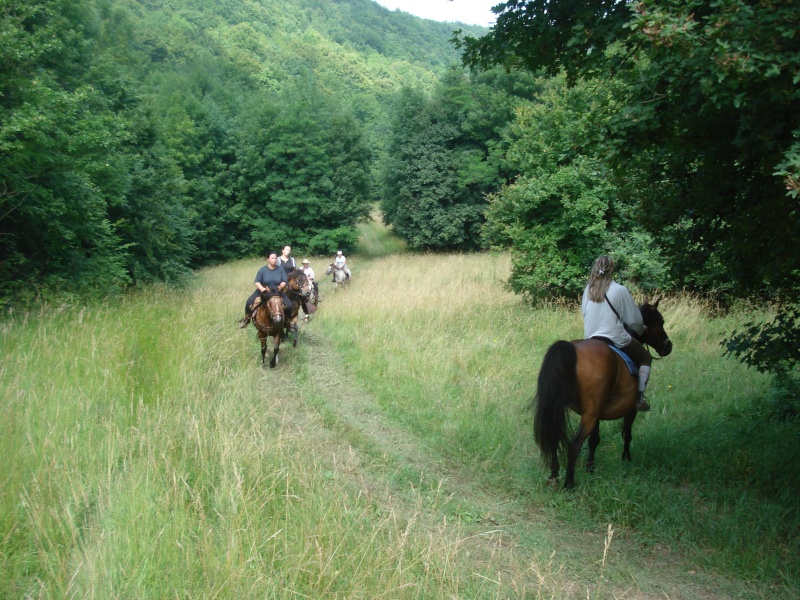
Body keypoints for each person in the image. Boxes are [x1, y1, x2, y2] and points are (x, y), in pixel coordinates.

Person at [581, 255, 652, 412]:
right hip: (616, 338)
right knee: (646, 358)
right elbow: (634, 321)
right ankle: (639, 398)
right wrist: (642, 330)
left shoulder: (588, 290)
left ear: (595, 269)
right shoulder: (620, 290)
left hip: (591, 338)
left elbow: (584, 313)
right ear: (612, 269)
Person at [239, 251, 293, 329]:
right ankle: (246, 319)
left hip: (277, 292)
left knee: (289, 305)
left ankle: (288, 323)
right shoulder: (262, 270)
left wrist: (280, 287)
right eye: (272, 258)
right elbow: (257, 282)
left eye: (275, 258)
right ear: (268, 259)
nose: (274, 260)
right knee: (249, 302)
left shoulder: (280, 269)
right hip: (263, 292)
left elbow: (285, 281)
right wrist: (263, 289)